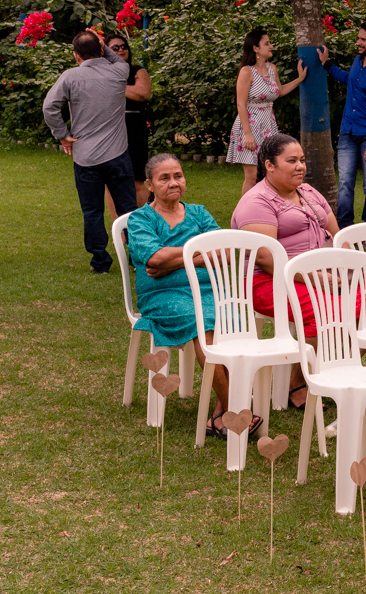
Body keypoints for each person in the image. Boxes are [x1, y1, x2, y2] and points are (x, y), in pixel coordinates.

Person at [126, 154, 241, 438]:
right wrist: (199, 252)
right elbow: (154, 256)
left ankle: (220, 414)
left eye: (178, 175)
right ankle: (234, 411)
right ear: (150, 185)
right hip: (164, 295)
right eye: (164, 178)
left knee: (233, 321)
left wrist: (174, 261)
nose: (173, 182)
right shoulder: (141, 218)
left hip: (207, 289)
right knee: (203, 324)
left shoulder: (199, 213)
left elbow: (224, 252)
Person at [231, 134, 340, 415]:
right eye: (291, 161)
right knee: (324, 309)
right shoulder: (256, 202)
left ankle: (327, 373)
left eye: (302, 160)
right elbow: (267, 260)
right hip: (267, 281)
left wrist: (348, 267)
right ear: (269, 165)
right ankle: (298, 384)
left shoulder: (309, 193)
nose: (300, 166)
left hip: (315, 275)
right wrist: (318, 279)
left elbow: (338, 236)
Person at [42, 30, 138, 274]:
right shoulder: (119, 71)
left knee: (92, 210)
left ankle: (99, 262)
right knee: (127, 208)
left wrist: (62, 134)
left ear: (76, 56)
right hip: (117, 154)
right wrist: (102, 44)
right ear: (102, 49)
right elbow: (116, 58)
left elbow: (49, 107)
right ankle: (138, 257)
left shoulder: (71, 76)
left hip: (85, 156)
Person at [317, 20, 366, 228]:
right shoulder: (357, 61)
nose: (358, 43)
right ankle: (344, 226)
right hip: (348, 132)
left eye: (363, 39)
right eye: (358, 38)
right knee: (345, 182)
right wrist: (327, 65)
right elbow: (348, 79)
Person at [227, 27, 308, 196]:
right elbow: (241, 104)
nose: (271, 46)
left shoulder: (272, 68)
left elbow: (279, 91)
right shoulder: (246, 71)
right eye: (267, 43)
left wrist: (299, 79)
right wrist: (247, 134)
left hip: (268, 126)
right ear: (255, 48)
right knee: (251, 176)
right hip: (249, 126)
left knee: (267, 172)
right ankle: (244, 216)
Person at [106, 32, 152, 212]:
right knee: (110, 181)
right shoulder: (101, 72)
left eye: (123, 46)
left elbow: (142, 93)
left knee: (137, 179)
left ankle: (143, 225)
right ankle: (119, 229)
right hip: (109, 128)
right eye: (115, 47)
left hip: (133, 128)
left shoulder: (137, 71)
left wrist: (112, 86)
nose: (121, 50)